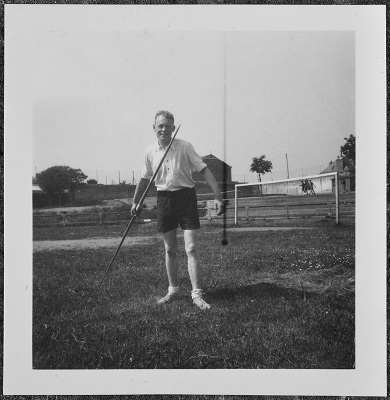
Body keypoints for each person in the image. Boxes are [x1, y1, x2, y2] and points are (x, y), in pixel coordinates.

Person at [131, 110, 225, 310]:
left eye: (168, 126)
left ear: (173, 128)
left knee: (191, 248)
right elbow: (145, 178)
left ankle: (197, 294)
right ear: (154, 128)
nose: (164, 129)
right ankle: (173, 290)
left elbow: (204, 170)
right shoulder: (150, 151)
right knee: (170, 249)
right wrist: (135, 202)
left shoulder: (184, 147)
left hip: (186, 198)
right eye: (160, 126)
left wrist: (217, 197)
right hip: (164, 200)